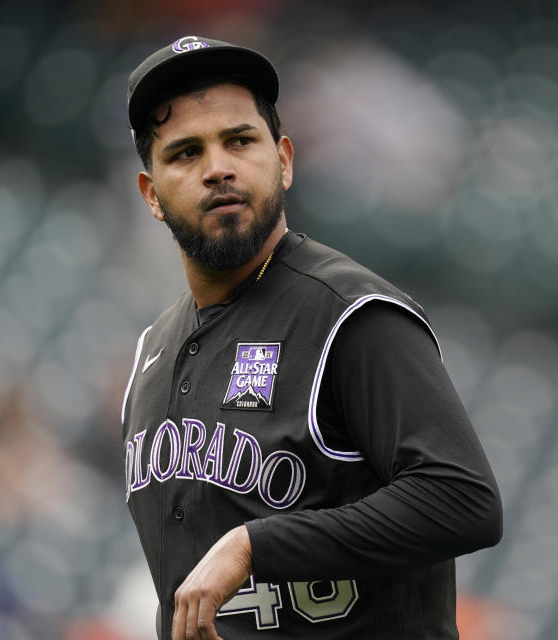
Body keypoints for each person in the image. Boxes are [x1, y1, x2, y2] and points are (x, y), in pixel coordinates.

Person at [120, 35, 502, 640]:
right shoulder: (152, 353)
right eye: (186, 153)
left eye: (240, 140)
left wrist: (255, 545)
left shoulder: (352, 314)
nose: (218, 167)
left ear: (286, 160)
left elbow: (463, 500)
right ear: (152, 196)